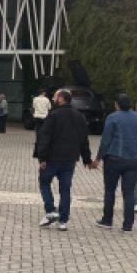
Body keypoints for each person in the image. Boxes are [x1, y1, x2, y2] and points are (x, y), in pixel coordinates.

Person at [35, 89, 95, 231]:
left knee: (44, 182)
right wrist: (87, 159)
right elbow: (83, 140)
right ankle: (63, 221)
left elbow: (45, 137)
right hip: (70, 160)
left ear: (61, 99)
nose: (53, 98)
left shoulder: (53, 116)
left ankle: (50, 210)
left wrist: (41, 157)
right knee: (65, 189)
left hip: (52, 158)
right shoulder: (79, 116)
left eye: (55, 96)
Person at [95, 93, 137, 233]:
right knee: (128, 193)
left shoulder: (112, 117)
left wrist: (98, 158)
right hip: (134, 160)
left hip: (114, 158)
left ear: (116, 104)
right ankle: (128, 225)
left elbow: (105, 140)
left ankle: (107, 220)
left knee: (110, 190)